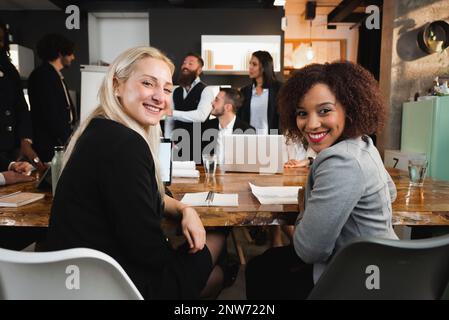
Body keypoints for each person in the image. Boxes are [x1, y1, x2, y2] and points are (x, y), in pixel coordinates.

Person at [44, 46, 226, 300]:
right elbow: (149, 254)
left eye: (165, 89)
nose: (159, 97)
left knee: (212, 270)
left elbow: (149, 197)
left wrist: (186, 210)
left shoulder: (99, 130)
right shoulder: (125, 144)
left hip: (80, 280)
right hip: (113, 286)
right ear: (117, 85)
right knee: (219, 239)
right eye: (148, 83)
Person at [245, 61, 398, 299]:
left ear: (350, 107)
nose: (312, 123)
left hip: (358, 279)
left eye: (324, 110)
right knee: (268, 263)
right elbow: (391, 193)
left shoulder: (340, 161)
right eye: (302, 113)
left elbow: (309, 250)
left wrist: (307, 205)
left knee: (260, 270)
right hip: (385, 267)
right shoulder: (364, 145)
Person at [0, 21, 43, 171]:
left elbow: (21, 108)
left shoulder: (8, 68)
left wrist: (25, 141)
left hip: (13, 152)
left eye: (0, 40)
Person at [28, 33, 77, 162]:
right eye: (70, 53)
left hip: (58, 143)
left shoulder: (53, 75)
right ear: (61, 53)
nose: (73, 57)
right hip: (50, 146)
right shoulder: (43, 75)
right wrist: (68, 140)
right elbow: (51, 114)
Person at [164, 53, 215, 162]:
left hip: (199, 145)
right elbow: (169, 120)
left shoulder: (206, 90)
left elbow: (201, 116)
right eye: (184, 63)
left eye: (190, 63)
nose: (185, 66)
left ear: (199, 70)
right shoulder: (176, 91)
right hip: (178, 145)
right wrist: (168, 140)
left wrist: (174, 113)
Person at [202, 87, 254, 164]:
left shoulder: (247, 131)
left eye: (216, 100)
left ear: (228, 107)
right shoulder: (205, 127)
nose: (212, 102)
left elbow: (249, 164)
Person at [238, 50, 282, 135]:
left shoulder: (279, 89)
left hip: (272, 139)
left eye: (254, 64)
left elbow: (283, 118)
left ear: (264, 67)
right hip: (249, 139)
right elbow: (240, 119)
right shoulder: (245, 91)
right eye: (250, 64)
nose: (250, 67)